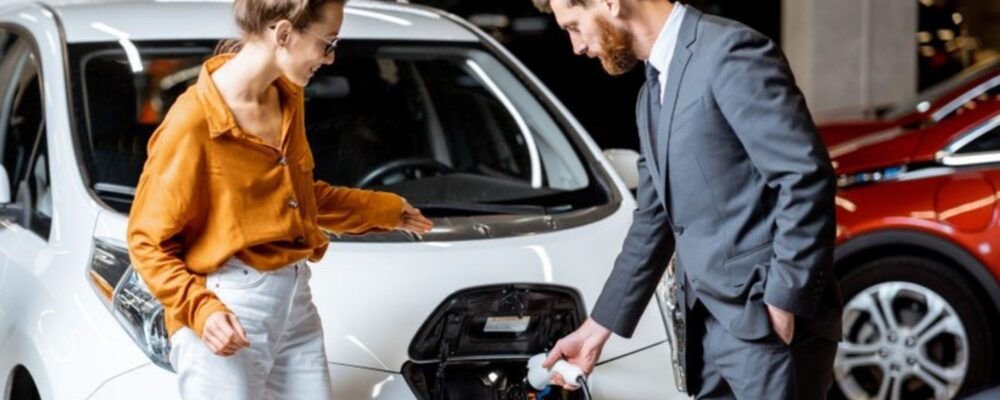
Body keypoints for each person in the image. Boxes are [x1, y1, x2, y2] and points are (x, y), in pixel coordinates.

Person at [529, 0, 842, 398]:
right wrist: (595, 330)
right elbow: (653, 221)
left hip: (768, 330)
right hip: (707, 333)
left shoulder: (731, 53)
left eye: (574, 26)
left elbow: (805, 178)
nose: (577, 46)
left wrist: (784, 302)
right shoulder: (650, 95)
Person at [126, 1, 433, 398]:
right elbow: (146, 241)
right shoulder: (193, 122)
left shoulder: (287, 97)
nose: (330, 58)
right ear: (284, 34)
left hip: (295, 300)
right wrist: (199, 309)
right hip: (229, 305)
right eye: (327, 43)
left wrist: (385, 210)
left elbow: (296, 197)